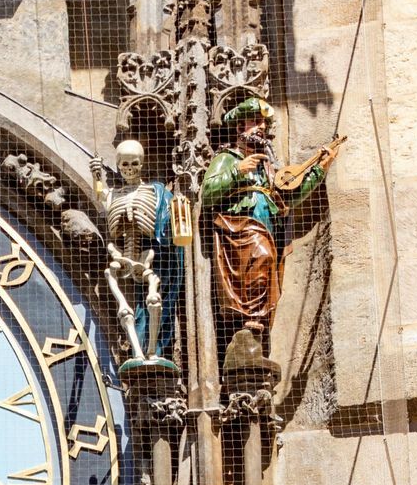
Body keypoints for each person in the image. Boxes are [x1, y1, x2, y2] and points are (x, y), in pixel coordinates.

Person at [199, 98, 341, 348]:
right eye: (254, 121)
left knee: (265, 267)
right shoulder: (227, 158)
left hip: (268, 229)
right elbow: (208, 193)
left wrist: (320, 170)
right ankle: (248, 319)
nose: (261, 127)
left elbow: (288, 195)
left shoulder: (267, 167)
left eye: (263, 123)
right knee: (260, 256)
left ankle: (256, 317)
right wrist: (237, 171)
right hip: (238, 229)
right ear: (240, 127)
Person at [93, 138, 186, 364]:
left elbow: (167, 220)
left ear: (142, 164)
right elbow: (102, 196)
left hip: (150, 256)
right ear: (117, 166)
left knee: (154, 298)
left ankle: (153, 350)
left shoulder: (156, 192)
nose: (129, 170)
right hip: (124, 255)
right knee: (113, 278)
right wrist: (96, 176)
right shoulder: (114, 194)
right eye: (124, 165)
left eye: (134, 164)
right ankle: (138, 349)